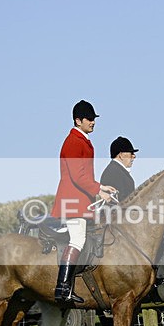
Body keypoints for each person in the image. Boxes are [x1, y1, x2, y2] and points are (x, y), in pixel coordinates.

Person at [51, 100, 116, 305]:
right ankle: (62, 288)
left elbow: (84, 176)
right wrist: (98, 190)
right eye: (89, 119)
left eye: (93, 119)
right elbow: (78, 176)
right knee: (77, 240)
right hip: (72, 200)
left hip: (81, 200)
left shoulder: (83, 140)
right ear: (78, 120)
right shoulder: (73, 141)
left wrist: (102, 187)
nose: (93, 122)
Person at [100, 136, 139, 202]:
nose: (134, 156)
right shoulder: (114, 172)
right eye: (131, 153)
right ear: (121, 155)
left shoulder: (117, 171)